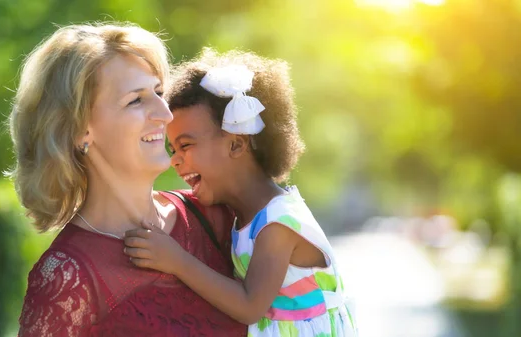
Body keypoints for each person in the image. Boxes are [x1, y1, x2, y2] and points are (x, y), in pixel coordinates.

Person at [7, 23, 246, 336]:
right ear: (80, 130)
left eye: (159, 93)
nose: (165, 113)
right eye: (136, 100)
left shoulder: (214, 215)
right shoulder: (67, 277)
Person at [124, 48, 358, 336]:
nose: (174, 159)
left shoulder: (278, 223)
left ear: (236, 145)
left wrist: (177, 261)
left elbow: (249, 305)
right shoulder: (241, 215)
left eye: (185, 146)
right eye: (173, 149)